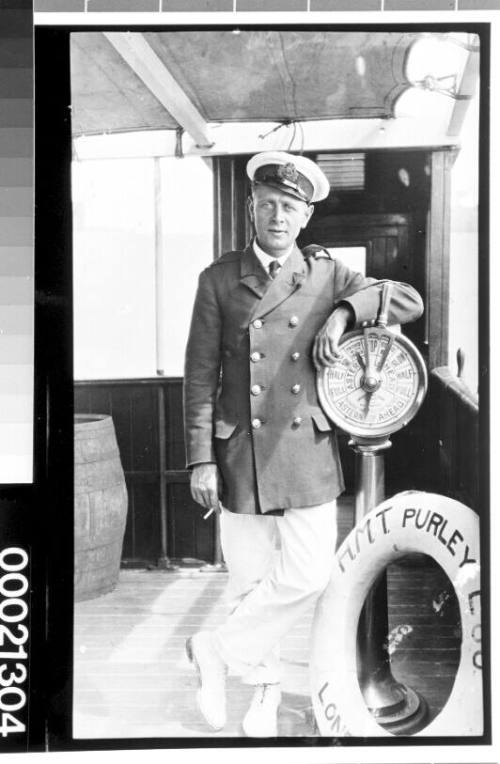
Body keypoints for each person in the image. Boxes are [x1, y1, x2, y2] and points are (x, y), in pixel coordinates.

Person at [183, 151, 423, 736]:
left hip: (305, 450)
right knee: (248, 578)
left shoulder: (328, 274)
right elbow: (199, 374)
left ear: (305, 216)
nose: (278, 216)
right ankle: (262, 692)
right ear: (251, 209)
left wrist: (344, 311)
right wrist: (198, 458)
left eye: (290, 207)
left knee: (310, 574)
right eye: (268, 204)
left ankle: (214, 649)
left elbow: (408, 301)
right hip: (240, 451)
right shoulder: (218, 279)